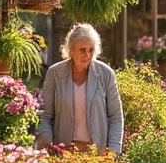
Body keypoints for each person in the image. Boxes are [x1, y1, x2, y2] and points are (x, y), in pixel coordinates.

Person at [35, 24, 124, 155]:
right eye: (82, 50)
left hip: (97, 154)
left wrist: (113, 150)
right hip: (64, 152)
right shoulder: (55, 73)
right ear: (71, 50)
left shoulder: (106, 74)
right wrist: (47, 141)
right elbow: (45, 115)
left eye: (91, 49)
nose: (87, 55)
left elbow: (115, 116)